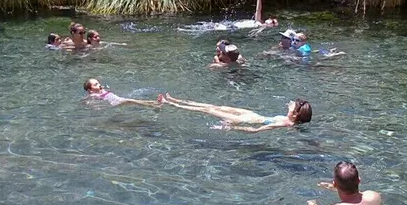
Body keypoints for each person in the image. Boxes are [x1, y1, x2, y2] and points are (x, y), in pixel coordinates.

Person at [158, 94, 312, 132]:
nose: (291, 103)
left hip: (250, 120)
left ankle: (168, 103)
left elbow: (256, 130)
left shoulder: (284, 123)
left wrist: (232, 128)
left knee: (209, 110)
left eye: (294, 105)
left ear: (296, 113)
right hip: (254, 115)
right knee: (218, 106)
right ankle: (177, 100)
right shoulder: (288, 120)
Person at [84, 78, 161, 108]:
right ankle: (152, 105)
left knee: (132, 100)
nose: (99, 85)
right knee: (130, 101)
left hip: (118, 99)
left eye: (98, 83)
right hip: (114, 102)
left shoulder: (102, 90)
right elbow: (88, 100)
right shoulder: (93, 94)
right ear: (90, 90)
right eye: (95, 84)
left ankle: (154, 103)